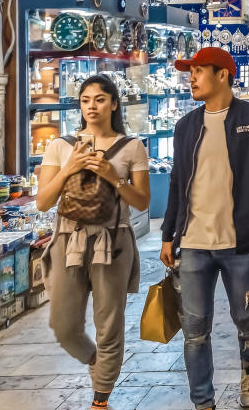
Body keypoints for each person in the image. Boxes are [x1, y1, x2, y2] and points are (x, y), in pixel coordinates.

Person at [160, 47, 249, 410]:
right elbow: (176, 183)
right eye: (191, 71)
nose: (192, 78)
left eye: (199, 71)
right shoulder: (186, 126)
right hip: (193, 244)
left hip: (241, 242)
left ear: (223, 75)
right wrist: (169, 234)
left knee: (246, 319)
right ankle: (203, 401)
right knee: (194, 330)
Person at [37, 75, 151, 410]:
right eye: (86, 100)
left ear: (114, 103)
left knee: (109, 323)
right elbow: (43, 201)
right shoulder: (60, 146)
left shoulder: (132, 147)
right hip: (68, 241)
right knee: (63, 324)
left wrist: (112, 176)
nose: (92, 106)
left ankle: (100, 398)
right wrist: (69, 167)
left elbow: (142, 200)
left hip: (112, 242)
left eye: (100, 99)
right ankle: (94, 361)